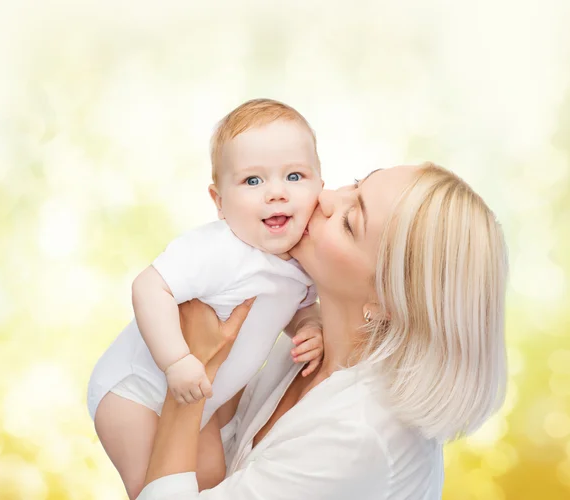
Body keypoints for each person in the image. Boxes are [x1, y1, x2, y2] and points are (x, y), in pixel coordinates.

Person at [136, 162, 509, 499]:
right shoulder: (311, 343)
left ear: (386, 303)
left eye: (350, 222)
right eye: (355, 185)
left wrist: (192, 373)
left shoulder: (358, 436)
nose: (325, 197)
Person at [87, 99, 327, 499]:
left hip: (201, 402)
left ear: (320, 183)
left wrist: (309, 326)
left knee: (213, 481)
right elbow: (149, 287)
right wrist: (177, 360)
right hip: (134, 392)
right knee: (152, 484)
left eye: (295, 175)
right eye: (253, 181)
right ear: (219, 202)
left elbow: (298, 305)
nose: (276, 193)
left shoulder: (303, 260)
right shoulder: (218, 250)